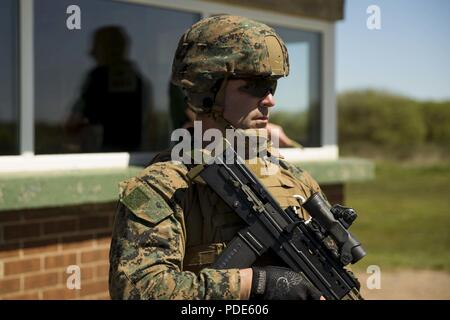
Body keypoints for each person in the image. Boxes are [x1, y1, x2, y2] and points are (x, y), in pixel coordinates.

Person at [109, 15, 330, 300]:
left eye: (272, 86)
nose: (269, 100)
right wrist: (256, 283)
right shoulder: (161, 187)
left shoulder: (294, 179)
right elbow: (136, 290)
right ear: (207, 89)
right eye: (254, 86)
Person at [65, 26, 151, 152]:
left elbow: (74, 121)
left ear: (109, 49)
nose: (92, 53)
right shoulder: (138, 79)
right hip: (129, 152)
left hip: (105, 154)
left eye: (96, 47)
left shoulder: (98, 77)